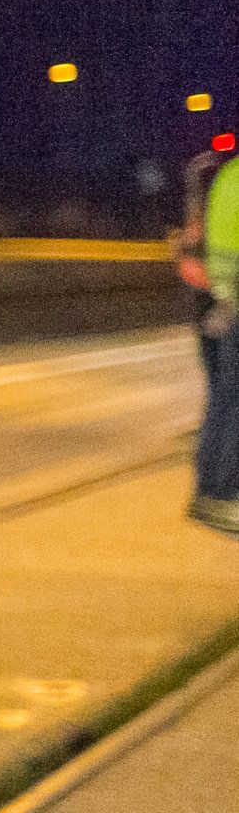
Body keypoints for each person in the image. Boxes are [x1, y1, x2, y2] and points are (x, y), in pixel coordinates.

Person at [188, 143, 239, 532]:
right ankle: (217, 494)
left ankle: (211, 489)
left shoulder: (227, 175)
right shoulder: (228, 176)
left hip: (222, 303)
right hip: (231, 304)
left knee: (223, 400)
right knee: (230, 403)